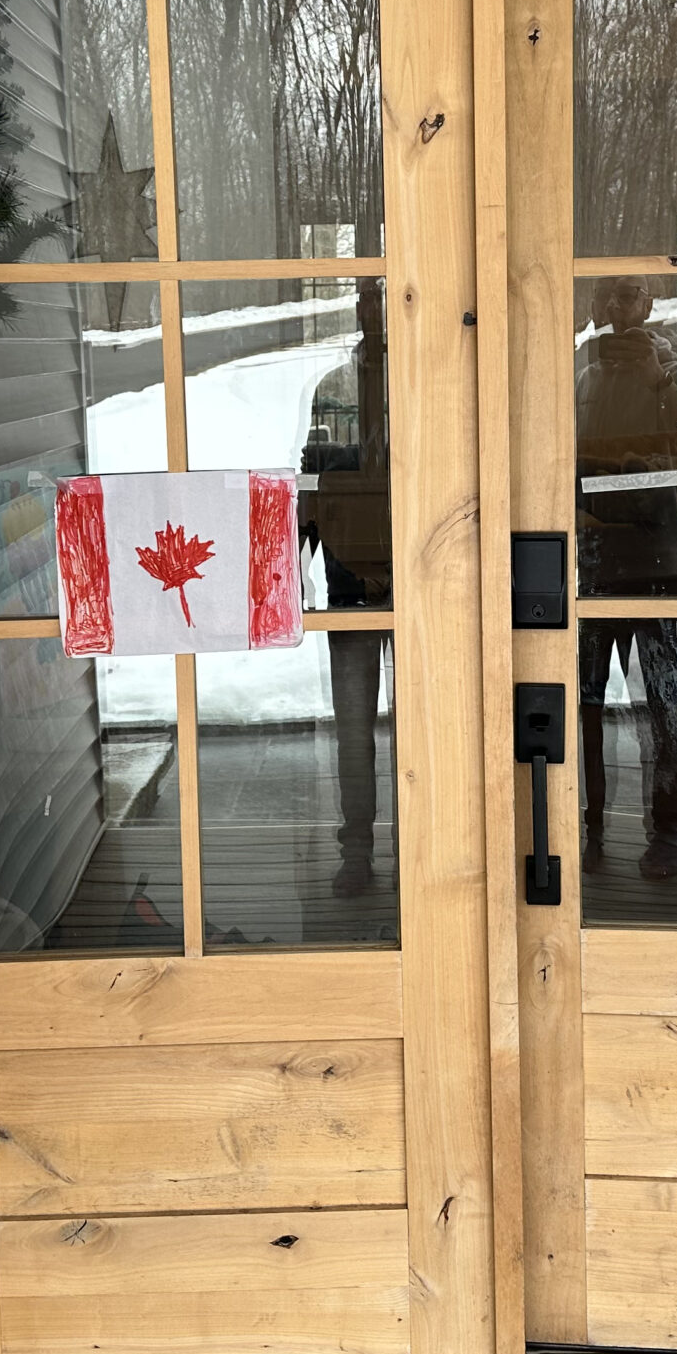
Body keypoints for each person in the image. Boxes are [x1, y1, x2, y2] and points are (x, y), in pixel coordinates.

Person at [572, 276, 677, 881]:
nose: (617, 306)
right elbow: (544, 451)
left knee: (663, 708)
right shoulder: (577, 374)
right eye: (608, 296)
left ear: (650, 304)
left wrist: (657, 378)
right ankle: (586, 824)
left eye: (629, 295)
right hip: (590, 566)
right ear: (594, 305)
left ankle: (669, 831)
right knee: (579, 708)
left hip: (659, 569)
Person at [302, 282, 393, 897]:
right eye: (364, 302)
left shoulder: (429, 381)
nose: (372, 313)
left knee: (429, 726)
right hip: (350, 588)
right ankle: (357, 849)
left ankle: (428, 844)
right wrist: (290, 559)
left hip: (426, 587)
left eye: (379, 301)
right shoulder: (334, 388)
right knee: (353, 732)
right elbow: (315, 481)